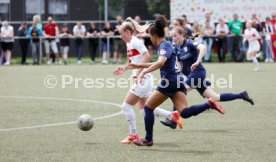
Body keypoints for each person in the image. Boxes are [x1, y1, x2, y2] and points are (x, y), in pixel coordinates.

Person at [126, 16, 225, 146]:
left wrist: (143, 72)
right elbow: (159, 62)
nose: (150, 39)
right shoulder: (167, 45)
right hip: (178, 80)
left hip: (170, 81)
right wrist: (138, 66)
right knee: (184, 112)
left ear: (155, 35)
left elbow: (160, 63)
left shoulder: (165, 44)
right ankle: (208, 104)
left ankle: (148, 139)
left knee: (148, 108)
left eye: (150, 36)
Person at [160, 27, 254, 129]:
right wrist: (178, 72)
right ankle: (241, 95)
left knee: (179, 92)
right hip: (192, 76)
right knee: (216, 97)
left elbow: (203, 48)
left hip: (198, 73)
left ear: (182, 35)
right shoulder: (176, 48)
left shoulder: (189, 43)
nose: (173, 38)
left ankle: (174, 121)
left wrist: (197, 61)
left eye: (175, 36)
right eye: (172, 36)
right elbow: (179, 64)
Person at [112, 17, 180, 144]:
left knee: (126, 106)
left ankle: (133, 135)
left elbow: (147, 55)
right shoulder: (129, 43)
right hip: (144, 79)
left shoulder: (136, 42)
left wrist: (139, 72)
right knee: (145, 109)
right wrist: (125, 68)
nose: (121, 37)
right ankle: (172, 115)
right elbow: (133, 60)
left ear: (128, 32)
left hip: (143, 80)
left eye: (122, 34)